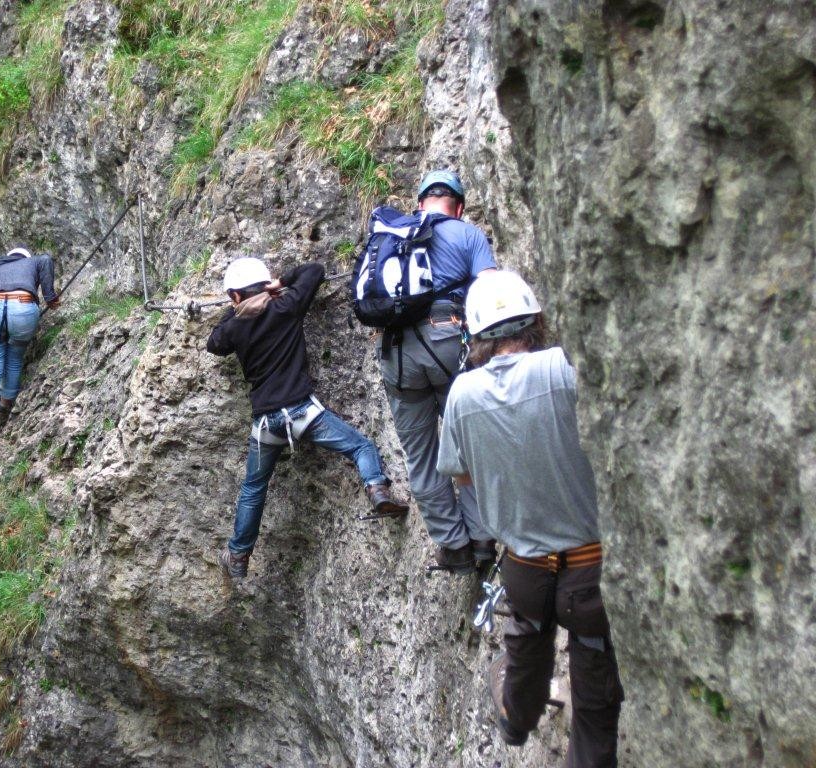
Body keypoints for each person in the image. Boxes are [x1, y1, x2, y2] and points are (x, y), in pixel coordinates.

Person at [436, 270, 623, 766]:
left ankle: (517, 721)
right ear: (534, 322)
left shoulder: (461, 396)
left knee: (527, 640)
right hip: (590, 569)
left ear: (475, 337)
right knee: (595, 687)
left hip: (524, 568)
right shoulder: (564, 369)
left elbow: (465, 478)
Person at [207, 256, 408, 579]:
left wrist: (235, 310)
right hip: (304, 413)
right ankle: (377, 489)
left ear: (235, 296)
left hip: (266, 424)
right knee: (360, 447)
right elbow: (315, 271)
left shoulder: (234, 327)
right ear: (265, 286)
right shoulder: (286, 307)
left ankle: (239, 555)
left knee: (253, 489)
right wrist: (281, 283)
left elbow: (214, 343)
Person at [378, 169, 497, 574]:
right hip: (449, 343)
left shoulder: (394, 234)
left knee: (422, 456)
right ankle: (482, 539)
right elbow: (490, 290)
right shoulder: (467, 234)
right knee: (467, 444)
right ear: (458, 207)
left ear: (420, 204)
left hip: (397, 355)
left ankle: (454, 548)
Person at [0, 246, 60, 447]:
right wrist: (50, 298)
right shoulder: (35, 261)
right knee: (13, 361)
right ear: (26, 257)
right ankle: (4, 411)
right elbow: (47, 260)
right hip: (22, 305)